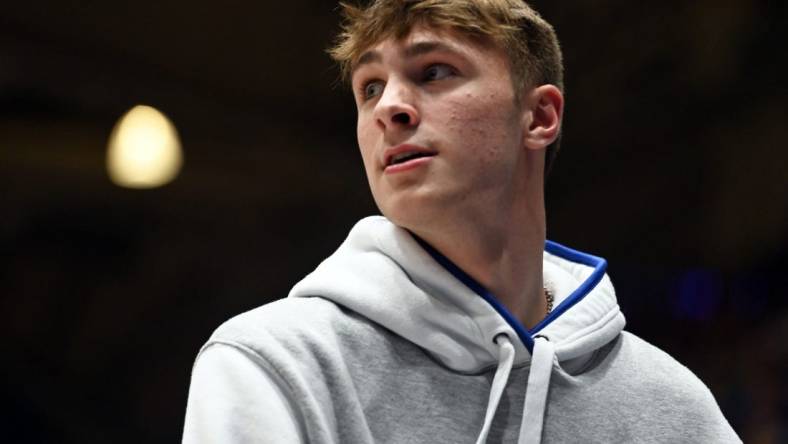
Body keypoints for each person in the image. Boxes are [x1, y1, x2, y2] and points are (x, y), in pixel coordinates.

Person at [183, 1, 741, 442]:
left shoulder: (672, 407)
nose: (388, 108)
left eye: (434, 72)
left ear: (540, 116)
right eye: (369, 87)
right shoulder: (273, 364)